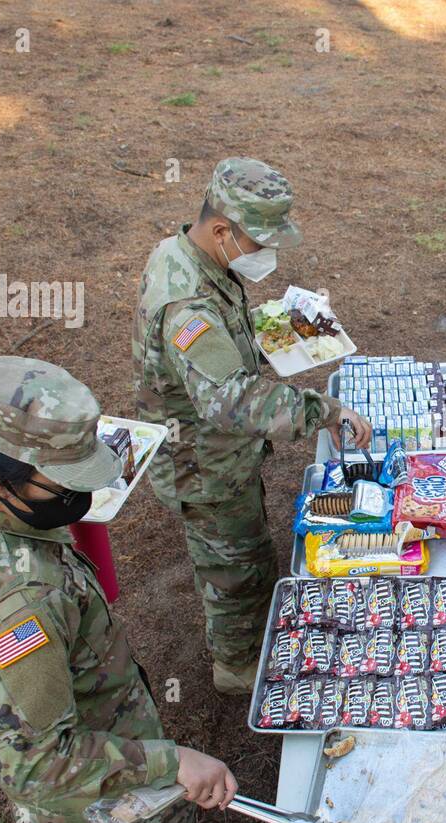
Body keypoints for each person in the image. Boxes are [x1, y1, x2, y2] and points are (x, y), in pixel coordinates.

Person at [0, 356, 236, 823]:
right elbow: (38, 763)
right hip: (104, 820)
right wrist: (173, 762)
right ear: (0, 483)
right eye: (67, 487)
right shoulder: (23, 606)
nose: (84, 497)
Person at [133, 158, 370, 695]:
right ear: (221, 230)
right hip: (203, 462)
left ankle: (247, 638)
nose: (270, 255)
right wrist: (325, 411)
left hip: (216, 451)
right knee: (236, 568)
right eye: (261, 242)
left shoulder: (191, 254)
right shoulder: (187, 302)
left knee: (240, 551)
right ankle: (240, 668)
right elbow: (232, 400)